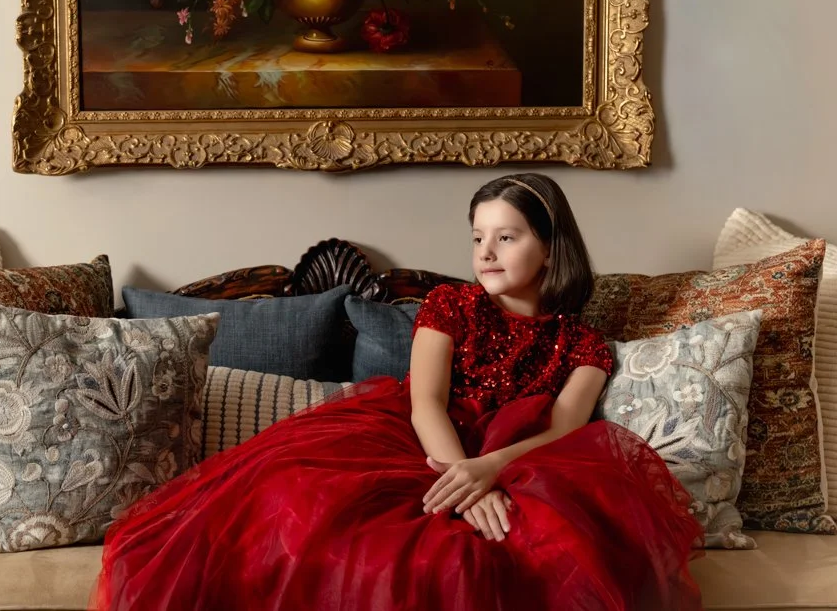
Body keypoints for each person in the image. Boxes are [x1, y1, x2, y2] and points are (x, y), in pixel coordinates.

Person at [91, 173, 704, 611]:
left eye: (507, 237)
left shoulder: (581, 343)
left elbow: (565, 430)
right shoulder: (451, 304)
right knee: (307, 508)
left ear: (549, 249)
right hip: (417, 441)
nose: (484, 252)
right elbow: (426, 403)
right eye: (477, 237)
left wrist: (488, 469)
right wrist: (460, 477)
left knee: (520, 553)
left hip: (519, 461)